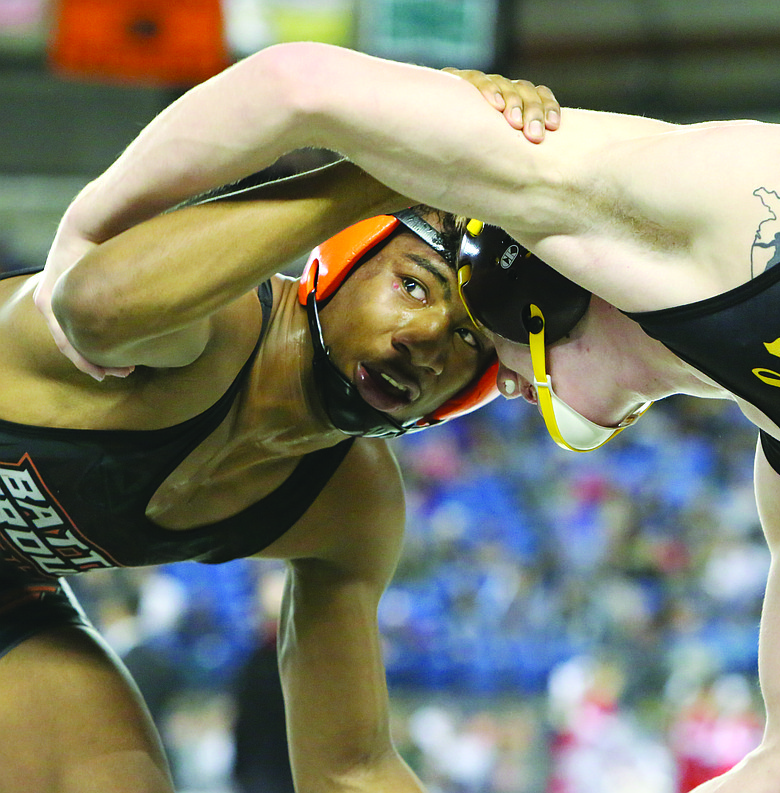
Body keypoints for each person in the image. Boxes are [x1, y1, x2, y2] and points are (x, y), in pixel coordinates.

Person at [34, 40, 780, 793]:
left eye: (482, 349)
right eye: (449, 326)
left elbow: (294, 86)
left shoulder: (636, 204)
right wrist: (85, 253)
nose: (467, 368)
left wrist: (92, 233)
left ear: (538, 292)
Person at [2, 69, 561, 793]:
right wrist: (397, 165)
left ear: (473, 392)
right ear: (342, 256)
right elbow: (96, 305)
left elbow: (350, 767)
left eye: (465, 340)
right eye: (414, 284)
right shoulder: (210, 326)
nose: (423, 338)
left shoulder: (348, 507)